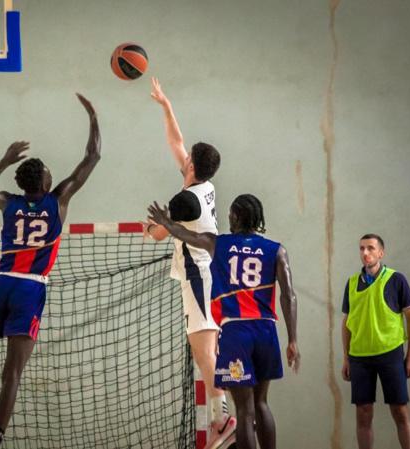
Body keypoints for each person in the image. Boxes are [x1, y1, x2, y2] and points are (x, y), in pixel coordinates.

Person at [0, 93, 101, 449]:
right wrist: (92, 115)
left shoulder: (8, 201)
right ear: (44, 184)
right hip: (29, 289)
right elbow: (93, 157)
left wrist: (3, 160)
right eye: (48, 173)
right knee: (11, 373)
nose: (51, 174)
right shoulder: (58, 201)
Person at [147, 194, 300, 449]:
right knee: (262, 403)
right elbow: (289, 295)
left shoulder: (219, 244)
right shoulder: (277, 250)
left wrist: (165, 221)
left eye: (230, 214)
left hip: (236, 331)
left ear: (236, 217)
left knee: (244, 411)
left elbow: (187, 236)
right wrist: (293, 338)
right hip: (266, 330)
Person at [146, 76, 234, 448]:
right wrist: (166, 105)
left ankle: (223, 420)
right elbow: (176, 142)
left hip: (199, 276)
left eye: (188, 158)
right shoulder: (206, 184)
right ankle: (221, 420)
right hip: (203, 272)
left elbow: (157, 233)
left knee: (205, 352)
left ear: (192, 167)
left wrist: (148, 225)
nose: (183, 156)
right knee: (205, 353)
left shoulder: (185, 202)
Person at [341, 234, 410, 449]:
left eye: (371, 248)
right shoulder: (352, 283)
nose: (366, 253)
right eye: (362, 248)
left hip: (390, 353)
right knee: (363, 414)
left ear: (381, 253)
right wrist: (346, 358)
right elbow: (346, 323)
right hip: (359, 357)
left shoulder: (396, 279)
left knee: (400, 410)